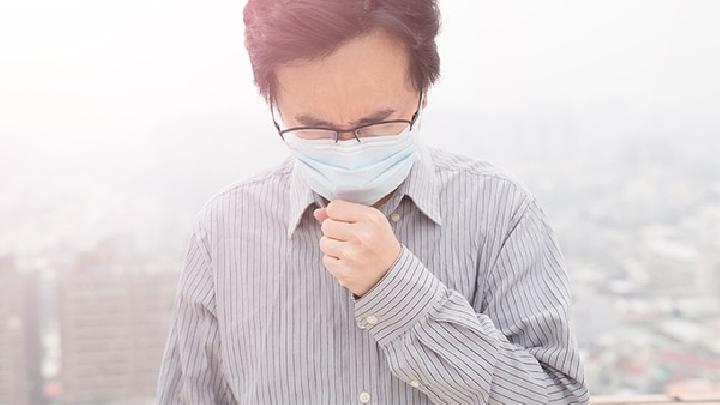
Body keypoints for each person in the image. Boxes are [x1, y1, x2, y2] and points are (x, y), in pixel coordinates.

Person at [156, 0, 589, 403]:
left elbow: (558, 396)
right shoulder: (225, 229)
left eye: (377, 124)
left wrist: (396, 289)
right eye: (315, 129)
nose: (348, 150)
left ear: (421, 94)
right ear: (275, 108)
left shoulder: (500, 211)